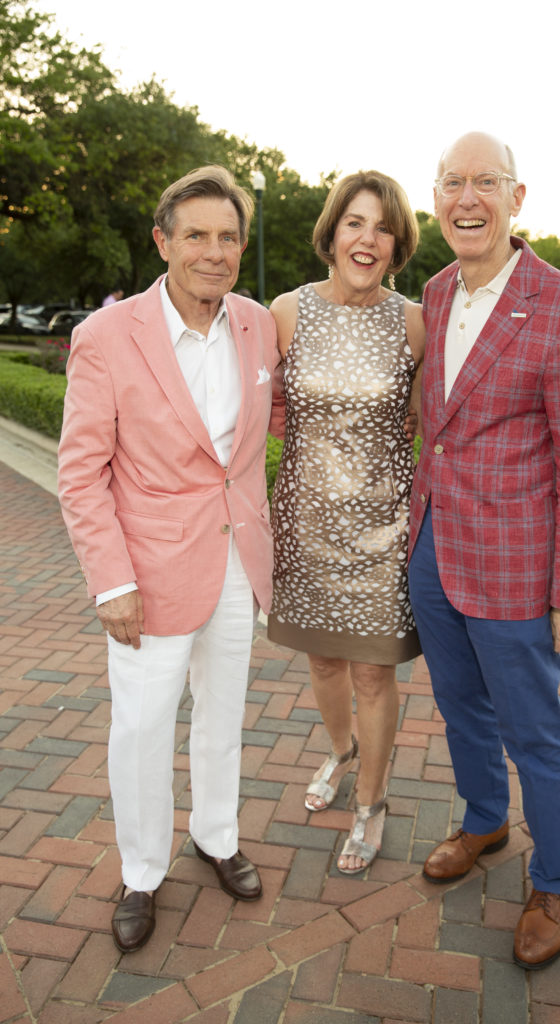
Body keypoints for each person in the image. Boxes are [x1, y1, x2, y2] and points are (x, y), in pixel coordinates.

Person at [58, 165, 285, 954]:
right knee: (144, 727)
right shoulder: (104, 337)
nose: (214, 252)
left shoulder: (258, 324)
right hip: (145, 574)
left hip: (234, 560)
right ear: (163, 241)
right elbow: (80, 473)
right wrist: (111, 583)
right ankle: (143, 870)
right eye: (196, 235)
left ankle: (216, 838)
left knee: (223, 714)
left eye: (228, 237)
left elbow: (266, 429)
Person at [407, 133, 560, 970]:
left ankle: (556, 877)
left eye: (483, 182)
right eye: (451, 182)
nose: (466, 198)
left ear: (516, 197)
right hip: (434, 553)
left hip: (515, 567)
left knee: (536, 732)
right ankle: (485, 819)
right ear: (436, 200)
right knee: (460, 711)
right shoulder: (430, 291)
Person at [267, 171, 425, 874]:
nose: (368, 238)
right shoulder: (285, 312)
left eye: (383, 227)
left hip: (384, 532)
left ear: (397, 245)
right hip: (302, 523)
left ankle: (371, 802)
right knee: (323, 659)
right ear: (331, 234)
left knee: (371, 676)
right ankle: (341, 752)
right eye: (355, 223)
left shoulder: (414, 320)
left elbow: (429, 419)